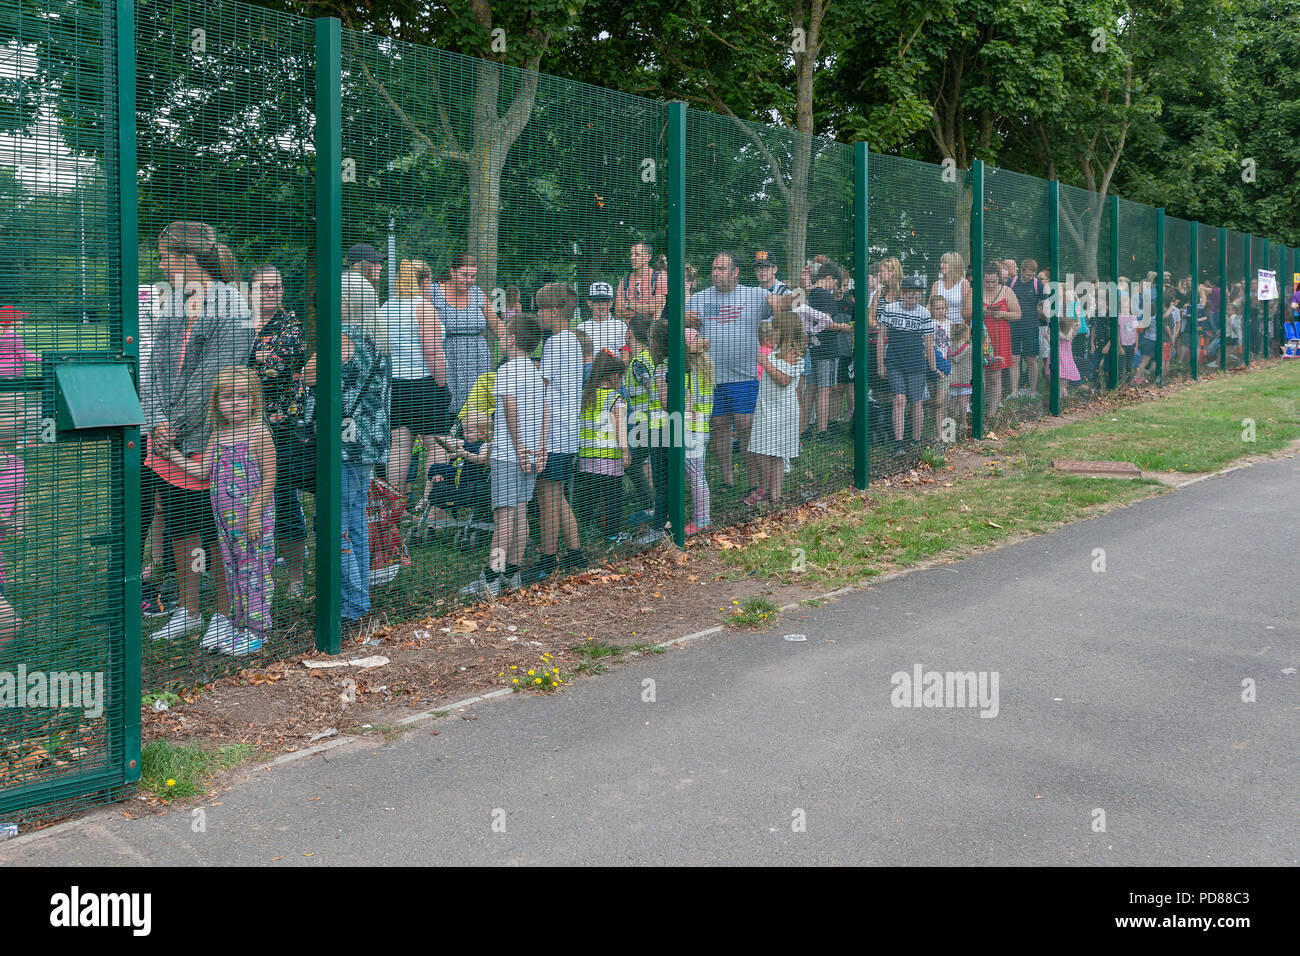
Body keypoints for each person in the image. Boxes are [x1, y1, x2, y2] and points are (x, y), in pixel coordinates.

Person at [144, 221, 255, 644]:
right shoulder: (173, 302)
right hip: (168, 437)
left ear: (187, 258)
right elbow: (153, 368)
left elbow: (218, 377)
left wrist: (177, 425)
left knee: (221, 529)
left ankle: (226, 616)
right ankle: (189, 611)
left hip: (211, 437)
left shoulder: (231, 303)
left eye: (164, 256)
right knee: (181, 526)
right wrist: (156, 420)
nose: (159, 264)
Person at [165, 367, 275, 655]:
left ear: (254, 401)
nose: (235, 402)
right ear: (217, 402)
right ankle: (239, 626)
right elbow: (203, 472)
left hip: (252, 520)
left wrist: (253, 515)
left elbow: (270, 479)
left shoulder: (259, 433)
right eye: (227, 397)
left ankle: (258, 631)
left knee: (254, 572)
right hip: (225, 522)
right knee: (232, 569)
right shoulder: (217, 435)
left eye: (242, 396)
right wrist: (171, 454)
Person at [302, 272, 392, 623]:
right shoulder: (375, 336)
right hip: (367, 441)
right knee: (355, 521)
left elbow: (308, 375)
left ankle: (350, 604)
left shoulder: (342, 339)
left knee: (335, 523)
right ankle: (359, 600)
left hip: (343, 442)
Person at [460, 315, 548, 599]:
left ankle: (492, 578)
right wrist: (540, 447)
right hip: (532, 453)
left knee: (504, 517)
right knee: (520, 512)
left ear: (511, 340)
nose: (499, 338)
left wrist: (519, 446)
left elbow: (510, 411)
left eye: (502, 334)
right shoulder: (536, 371)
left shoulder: (508, 370)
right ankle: (513, 573)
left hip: (511, 455)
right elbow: (546, 411)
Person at [686, 251, 775, 491]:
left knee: (746, 427)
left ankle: (754, 483)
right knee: (719, 427)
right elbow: (679, 324)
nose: (715, 273)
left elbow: (780, 308)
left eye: (722, 269)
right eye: (714, 268)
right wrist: (683, 318)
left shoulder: (754, 295)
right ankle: (727, 480)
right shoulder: (698, 299)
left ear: (736, 271)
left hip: (744, 376)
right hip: (710, 378)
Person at [248, 265, 308, 598]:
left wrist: (251, 360)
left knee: (283, 499)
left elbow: (278, 365)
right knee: (244, 500)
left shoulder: (290, 324)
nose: (273, 292)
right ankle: (253, 575)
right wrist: (255, 358)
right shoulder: (238, 323)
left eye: (277, 287)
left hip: (280, 426)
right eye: (265, 287)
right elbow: (224, 367)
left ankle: (296, 580)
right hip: (239, 427)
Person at [527, 282, 586, 581]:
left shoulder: (555, 343)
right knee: (557, 493)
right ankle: (576, 551)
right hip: (567, 430)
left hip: (553, 433)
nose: (536, 315)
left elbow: (543, 387)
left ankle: (547, 558)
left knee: (546, 497)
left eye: (539, 309)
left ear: (552, 311)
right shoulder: (571, 340)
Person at [378, 259, 448, 507]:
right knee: (436, 443)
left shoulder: (387, 307)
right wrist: (442, 383)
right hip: (424, 383)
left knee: (398, 444)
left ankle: (395, 507)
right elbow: (433, 352)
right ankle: (430, 503)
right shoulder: (423, 308)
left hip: (394, 385)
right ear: (425, 280)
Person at [745, 311, 804, 506]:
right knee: (761, 450)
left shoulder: (795, 354)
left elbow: (784, 380)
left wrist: (765, 363)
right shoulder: (778, 350)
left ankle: (771, 493)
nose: (773, 332)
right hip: (767, 407)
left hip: (782, 411)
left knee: (776, 453)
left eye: (776, 328)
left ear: (785, 331)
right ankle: (768, 491)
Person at [432, 253, 500, 416]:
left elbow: (496, 325)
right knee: (447, 405)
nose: (469, 280)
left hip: (478, 358)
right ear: (452, 272)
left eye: (473, 276)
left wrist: (516, 345)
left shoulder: (478, 294)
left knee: (478, 404)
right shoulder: (433, 293)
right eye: (464, 275)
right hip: (448, 357)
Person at [878, 275, 936, 456]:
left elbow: (929, 343)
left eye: (917, 297)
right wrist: (881, 364)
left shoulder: (924, 313)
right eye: (910, 296)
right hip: (895, 360)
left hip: (916, 363)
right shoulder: (889, 309)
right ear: (902, 293)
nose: (914, 300)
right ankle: (899, 442)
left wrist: (933, 368)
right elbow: (881, 338)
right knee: (899, 399)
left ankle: (916, 439)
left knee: (916, 401)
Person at [575, 350, 630, 539]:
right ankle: (613, 534)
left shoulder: (584, 396)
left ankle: (583, 529)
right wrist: (625, 452)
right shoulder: (616, 400)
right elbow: (620, 429)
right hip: (609, 458)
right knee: (613, 497)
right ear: (615, 376)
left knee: (588, 496)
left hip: (586, 457)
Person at [805, 262, 852, 442]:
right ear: (830, 278)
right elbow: (827, 323)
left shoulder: (811, 294)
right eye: (836, 282)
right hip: (828, 349)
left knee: (810, 389)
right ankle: (823, 431)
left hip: (813, 348)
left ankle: (804, 429)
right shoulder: (825, 296)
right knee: (825, 390)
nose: (836, 287)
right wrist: (843, 327)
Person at [683, 327, 714, 535]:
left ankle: (702, 520)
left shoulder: (688, 370)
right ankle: (701, 518)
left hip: (691, 429)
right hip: (702, 427)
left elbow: (687, 401)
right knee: (697, 475)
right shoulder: (706, 365)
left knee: (696, 477)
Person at [980, 263, 1019, 414]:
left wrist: (1003, 314)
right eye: (987, 281)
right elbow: (966, 313)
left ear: (999, 279)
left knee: (994, 376)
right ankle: (978, 408)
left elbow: (1017, 314)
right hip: (981, 335)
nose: (990, 284)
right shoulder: (976, 291)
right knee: (979, 376)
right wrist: (980, 311)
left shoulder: (1007, 291)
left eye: (993, 281)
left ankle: (992, 412)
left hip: (1000, 333)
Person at [1007, 258, 1045, 396]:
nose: (1029, 278)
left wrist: (1044, 314)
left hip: (1031, 327)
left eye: (1032, 275)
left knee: (1031, 359)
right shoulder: (1011, 283)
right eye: (1027, 274)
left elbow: (1044, 304)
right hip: (1013, 326)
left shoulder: (1037, 284)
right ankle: (1014, 391)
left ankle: (1033, 391)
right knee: (1014, 359)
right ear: (1021, 271)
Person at [614, 242, 667, 325]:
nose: (632, 258)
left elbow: (657, 308)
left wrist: (628, 305)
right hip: (630, 331)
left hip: (650, 331)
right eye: (631, 254)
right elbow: (618, 311)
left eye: (637, 255)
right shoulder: (625, 280)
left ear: (648, 257)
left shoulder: (659, 278)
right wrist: (646, 310)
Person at [578, 282, 627, 359]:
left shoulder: (620, 326)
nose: (602, 306)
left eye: (605, 301)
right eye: (597, 301)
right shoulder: (582, 328)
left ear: (611, 303)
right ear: (589, 303)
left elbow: (625, 354)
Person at [947, 322, 973, 426]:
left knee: (953, 399)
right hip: (966, 378)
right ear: (965, 334)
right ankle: (963, 422)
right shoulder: (970, 348)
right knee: (963, 400)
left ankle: (952, 421)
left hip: (953, 378)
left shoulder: (950, 349)